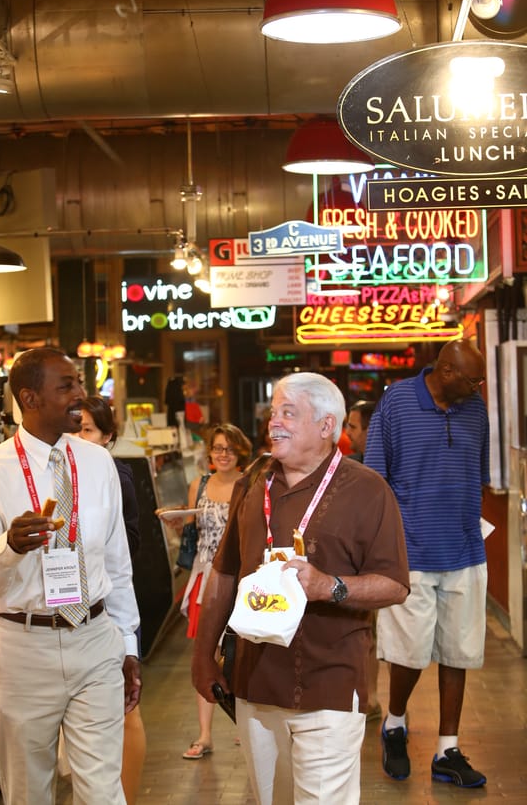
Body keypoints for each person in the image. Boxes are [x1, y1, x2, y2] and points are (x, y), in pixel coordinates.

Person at [191, 372, 409, 805]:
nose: (274, 423)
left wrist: (330, 586)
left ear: (327, 426)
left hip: (329, 683)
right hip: (254, 683)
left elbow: (395, 585)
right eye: (273, 412)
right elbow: (224, 575)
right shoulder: (252, 485)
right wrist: (203, 656)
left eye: (288, 413)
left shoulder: (368, 490)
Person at [0, 347, 141, 805]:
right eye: (67, 386)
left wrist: (128, 644)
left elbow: (117, 561)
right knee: (28, 791)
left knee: (102, 791)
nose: (81, 394)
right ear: (30, 397)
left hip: (95, 639)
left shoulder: (98, 463)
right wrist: (10, 548)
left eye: (79, 382)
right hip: (24, 648)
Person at [364, 338, 490, 789]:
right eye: (473, 379)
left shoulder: (475, 409)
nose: (479, 387)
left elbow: (480, 474)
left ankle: (446, 750)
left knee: (459, 653)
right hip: (410, 554)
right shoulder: (396, 403)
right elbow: (376, 480)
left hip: (465, 551)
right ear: (446, 371)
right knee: (410, 653)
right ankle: (394, 725)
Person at [160, 423, 252, 761]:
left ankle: (247, 725)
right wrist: (176, 521)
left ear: (240, 450)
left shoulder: (250, 483)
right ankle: (205, 734)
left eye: (229, 448)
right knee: (205, 653)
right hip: (205, 578)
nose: (223, 454)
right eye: (217, 448)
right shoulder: (198, 484)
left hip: (243, 579)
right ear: (209, 453)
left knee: (244, 651)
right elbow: (192, 525)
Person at [78, 395, 146, 805]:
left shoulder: (114, 474)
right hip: (81, 610)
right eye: (74, 427)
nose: (77, 436)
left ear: (107, 436)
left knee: (127, 713)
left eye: (86, 429)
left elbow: (128, 545)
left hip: (112, 608)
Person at [344, 399, 381, 723]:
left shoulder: (385, 466)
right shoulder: (349, 464)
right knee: (363, 631)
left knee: (377, 634)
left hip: (380, 565)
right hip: (356, 564)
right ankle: (365, 696)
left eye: (353, 427)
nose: (348, 433)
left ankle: (374, 697)